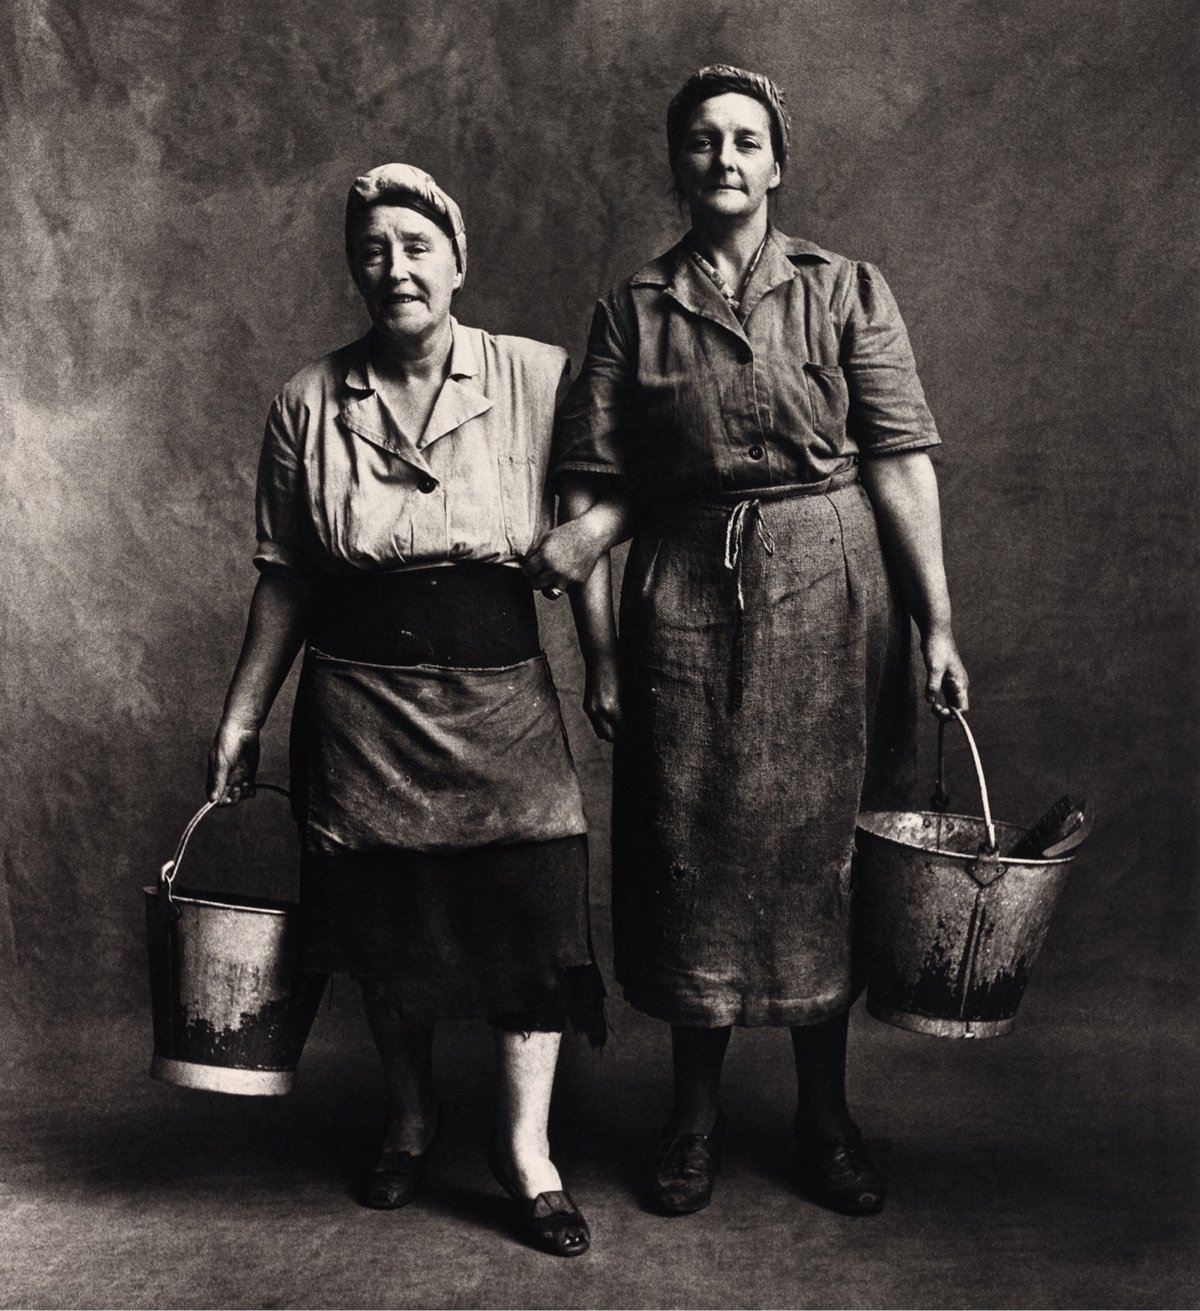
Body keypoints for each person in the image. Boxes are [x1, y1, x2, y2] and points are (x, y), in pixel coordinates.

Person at [524, 66, 969, 1217]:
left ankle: (826, 1118)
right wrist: (604, 658)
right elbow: (588, 487)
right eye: (703, 141)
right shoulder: (632, 309)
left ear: (778, 163)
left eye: (747, 140)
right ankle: (693, 1120)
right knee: (689, 851)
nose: (725, 158)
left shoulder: (847, 290)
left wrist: (937, 623)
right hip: (678, 600)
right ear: (677, 164)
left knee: (820, 856)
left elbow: (899, 464)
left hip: (832, 595)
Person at [207, 163, 602, 1257]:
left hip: (501, 703)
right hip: (359, 713)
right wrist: (242, 716)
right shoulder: (305, 399)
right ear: (355, 268)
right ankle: (413, 1115)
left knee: (532, 923)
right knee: (390, 934)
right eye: (374, 249)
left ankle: (528, 1153)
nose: (396, 269)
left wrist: (595, 598)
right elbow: (285, 575)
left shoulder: (535, 375)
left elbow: (623, 487)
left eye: (417, 247)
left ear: (459, 261)